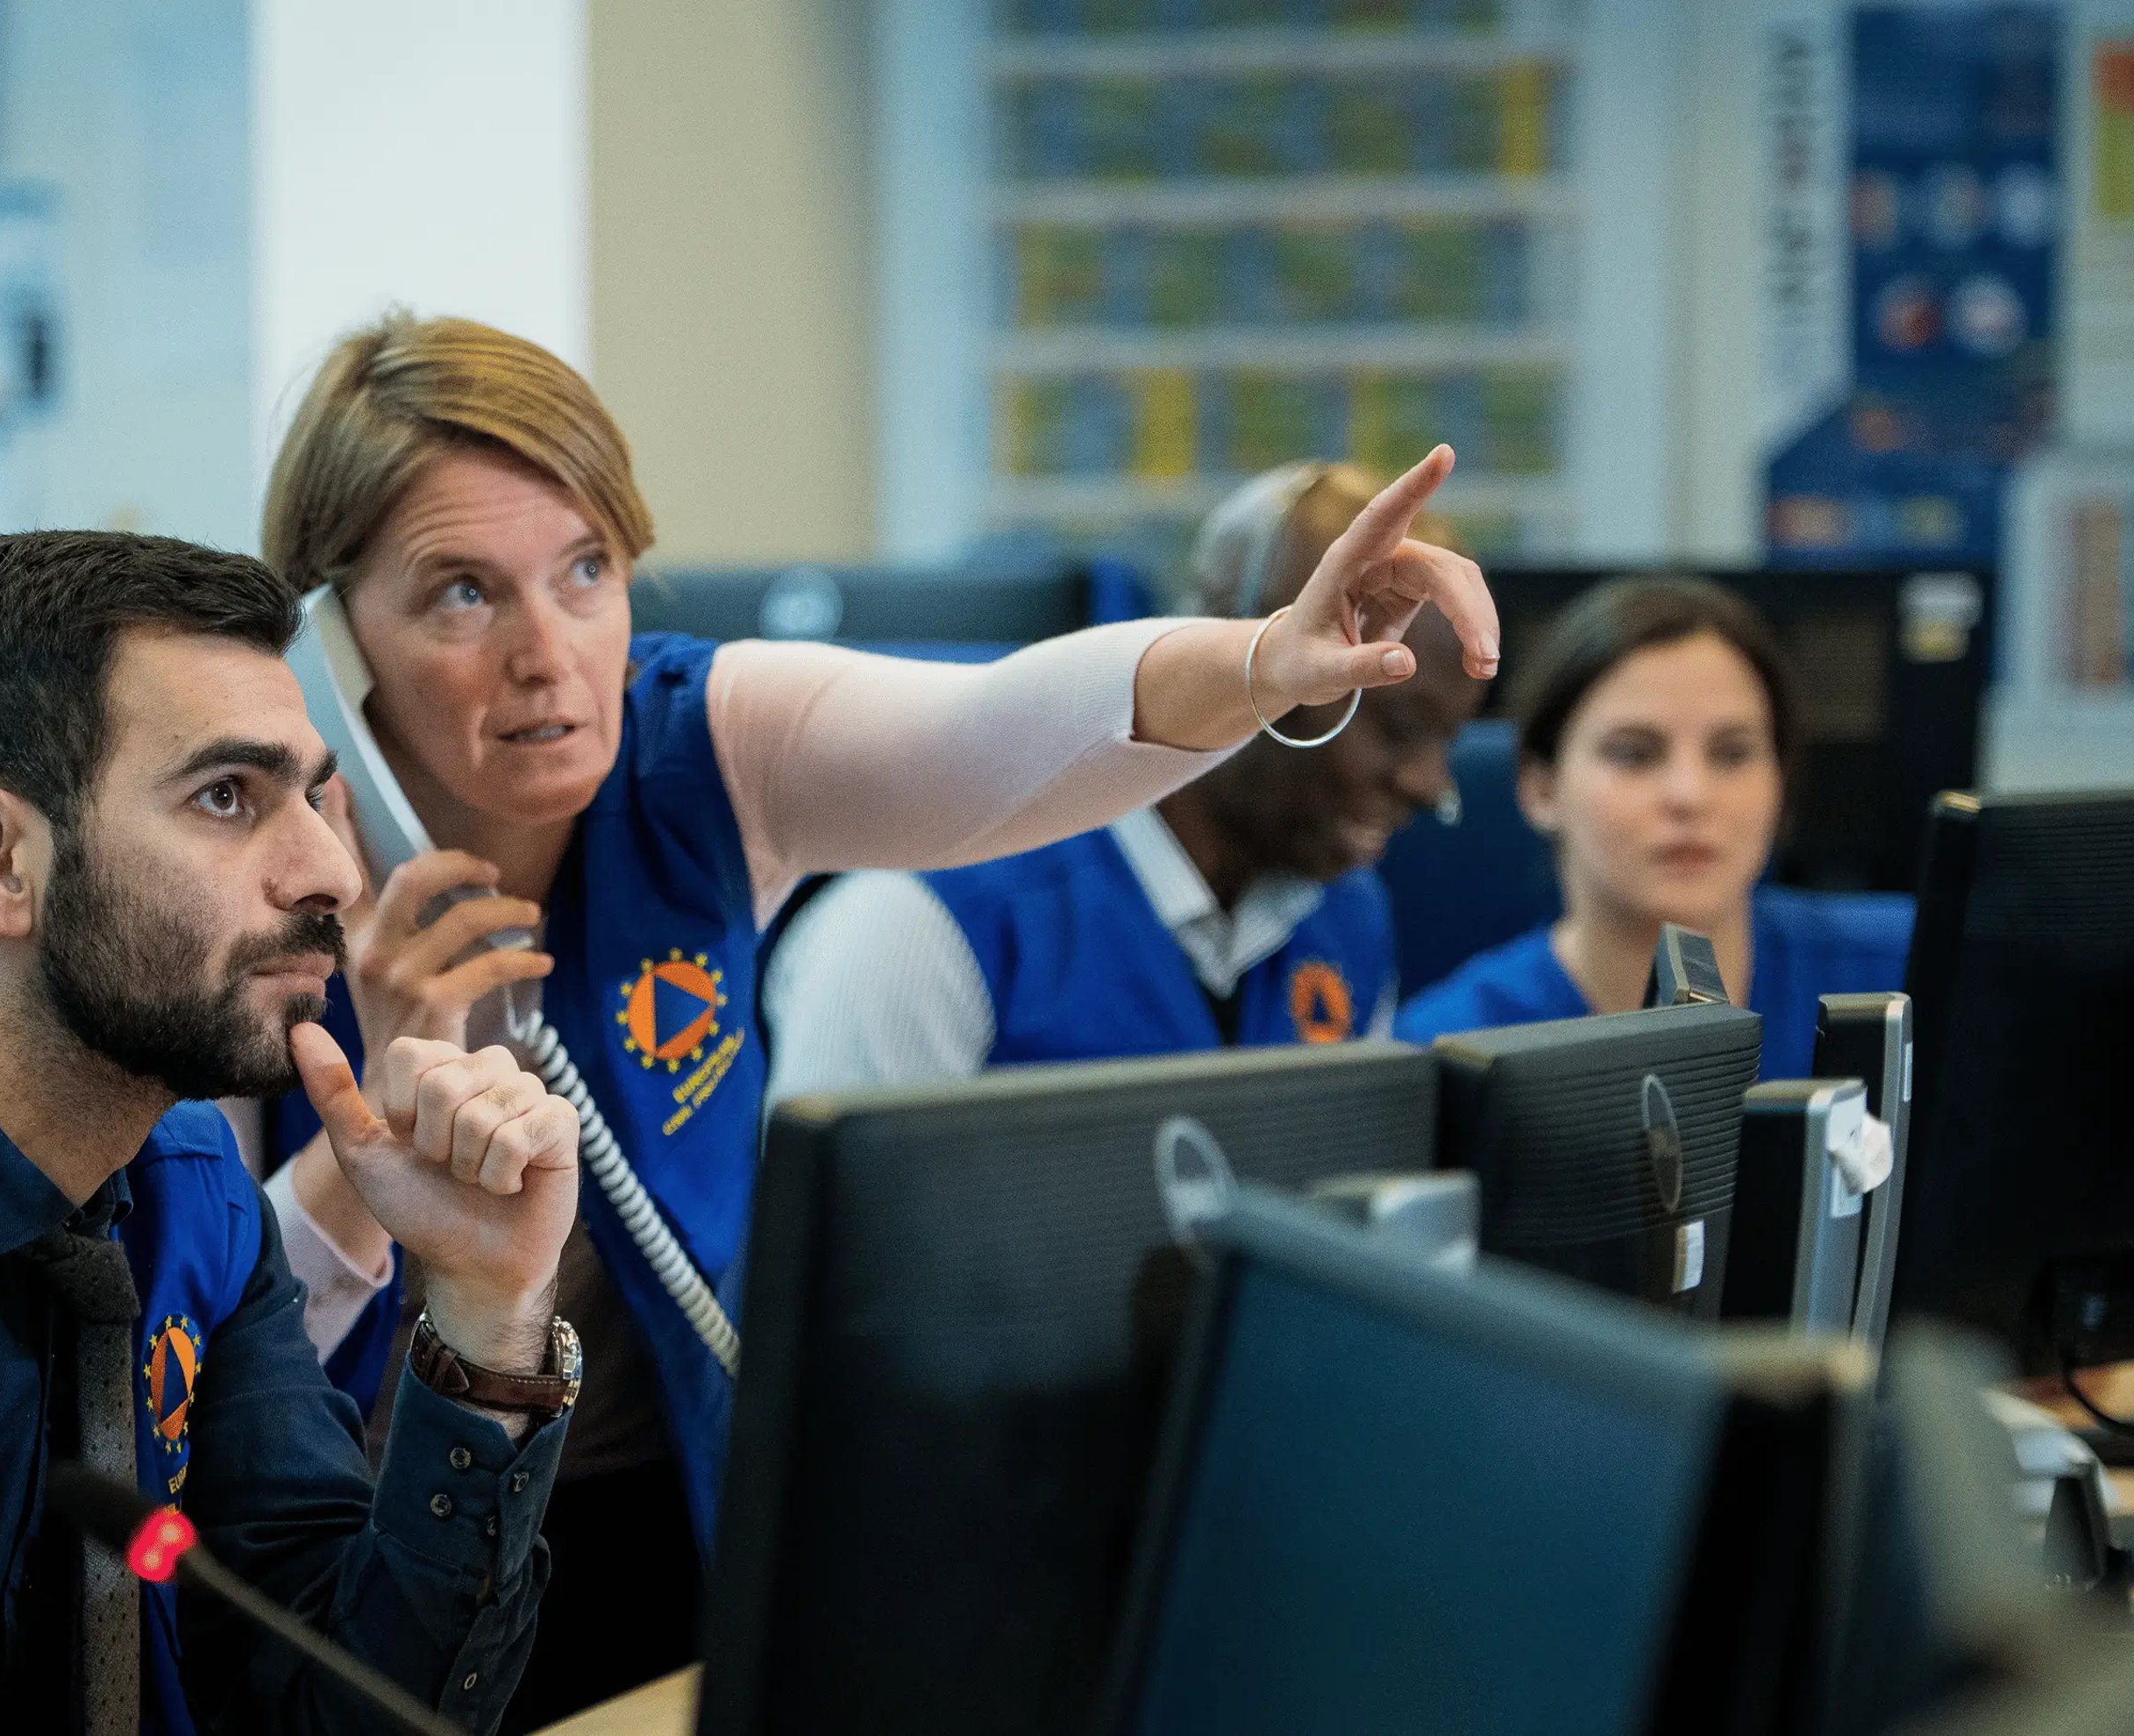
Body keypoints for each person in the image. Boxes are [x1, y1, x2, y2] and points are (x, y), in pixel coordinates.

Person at [253, 313, 1500, 1726]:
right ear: (328, 640)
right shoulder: (255, 879)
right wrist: (368, 1172)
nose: (551, 654)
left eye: (587, 570)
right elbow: (194, 1362)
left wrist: (1262, 665)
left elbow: (993, 739)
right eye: (463, 595)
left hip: (671, 1516)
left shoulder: (690, 747)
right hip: (359, 1558)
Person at [0, 531, 587, 1734]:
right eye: (229, 797)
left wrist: (485, 1311)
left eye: (315, 796)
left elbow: (337, 1701)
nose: (330, 874)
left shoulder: (193, 1195)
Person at [763, 461, 1484, 1097]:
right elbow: (832, 1248)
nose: (1430, 784)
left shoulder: (1346, 919)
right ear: (1243, 652)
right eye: (1395, 727)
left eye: (1447, 739)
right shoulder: (922, 924)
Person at [1394, 576, 1913, 1080]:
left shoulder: (1913, 974)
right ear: (1541, 788)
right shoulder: (1445, 1048)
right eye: (1634, 754)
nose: (1690, 796)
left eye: (1733, 754)